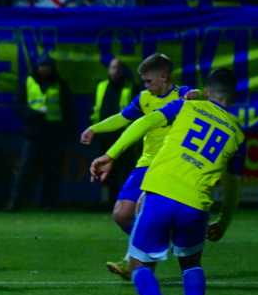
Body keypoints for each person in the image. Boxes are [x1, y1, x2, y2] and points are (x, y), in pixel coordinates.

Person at [89, 68, 245, 295]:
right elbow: (234, 190)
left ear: (206, 92)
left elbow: (144, 123)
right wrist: (224, 221)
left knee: (138, 264)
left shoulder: (185, 105)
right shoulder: (238, 135)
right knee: (191, 264)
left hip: (160, 193)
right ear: (233, 98)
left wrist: (110, 154)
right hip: (196, 204)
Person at [81, 53, 197, 280]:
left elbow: (202, 96)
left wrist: (197, 94)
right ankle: (156, 239)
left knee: (142, 210)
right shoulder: (144, 98)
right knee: (121, 214)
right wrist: (95, 128)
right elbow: (123, 118)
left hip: (167, 166)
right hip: (144, 164)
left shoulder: (183, 96)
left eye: (149, 81)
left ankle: (130, 261)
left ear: (164, 77)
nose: (145, 86)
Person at [8, 53, 77, 213]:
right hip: (33, 132)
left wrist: (65, 131)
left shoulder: (60, 84)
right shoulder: (28, 82)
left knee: (51, 170)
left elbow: (70, 110)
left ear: (52, 68)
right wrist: (32, 114)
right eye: (42, 66)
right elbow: (18, 105)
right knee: (25, 168)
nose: (44, 69)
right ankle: (14, 202)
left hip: (54, 134)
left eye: (47, 66)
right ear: (37, 67)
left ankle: (47, 203)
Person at [88, 58, 142, 205]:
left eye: (119, 68)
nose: (116, 71)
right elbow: (93, 111)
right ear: (108, 70)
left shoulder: (132, 88)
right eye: (113, 68)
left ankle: (127, 205)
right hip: (104, 140)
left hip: (125, 141)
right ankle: (111, 204)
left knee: (126, 174)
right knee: (108, 175)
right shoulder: (100, 87)